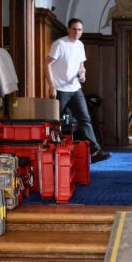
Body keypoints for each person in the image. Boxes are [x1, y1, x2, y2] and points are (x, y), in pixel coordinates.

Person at [47, 18, 111, 162]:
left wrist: (82, 73)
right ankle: (52, 152)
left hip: (75, 88)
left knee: (85, 119)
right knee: (55, 121)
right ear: (68, 29)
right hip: (60, 88)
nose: (77, 32)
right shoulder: (59, 44)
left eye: (80, 30)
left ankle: (95, 153)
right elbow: (47, 64)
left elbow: (81, 65)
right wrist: (51, 85)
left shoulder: (80, 45)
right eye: (74, 29)